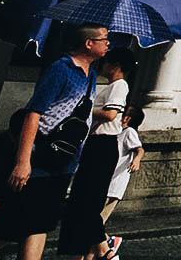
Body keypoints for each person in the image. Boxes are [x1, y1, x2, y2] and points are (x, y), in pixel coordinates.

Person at [0, 23, 107, 260]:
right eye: (103, 39)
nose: (108, 44)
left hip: (64, 163)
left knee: (41, 225)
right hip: (38, 160)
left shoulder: (90, 75)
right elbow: (34, 114)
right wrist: (23, 161)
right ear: (88, 43)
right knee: (8, 229)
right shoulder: (61, 69)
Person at [59, 46, 135, 260]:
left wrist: (83, 109)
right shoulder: (112, 86)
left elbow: (111, 114)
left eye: (107, 61)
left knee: (87, 202)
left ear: (116, 65)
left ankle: (105, 250)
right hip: (96, 144)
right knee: (84, 201)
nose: (103, 65)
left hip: (103, 145)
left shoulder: (119, 86)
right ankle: (90, 252)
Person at [101, 106, 145, 224]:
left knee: (96, 222)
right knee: (95, 222)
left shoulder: (129, 132)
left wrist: (137, 160)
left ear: (126, 118)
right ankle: (107, 241)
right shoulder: (117, 132)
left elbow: (139, 149)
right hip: (107, 182)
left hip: (114, 184)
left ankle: (109, 242)